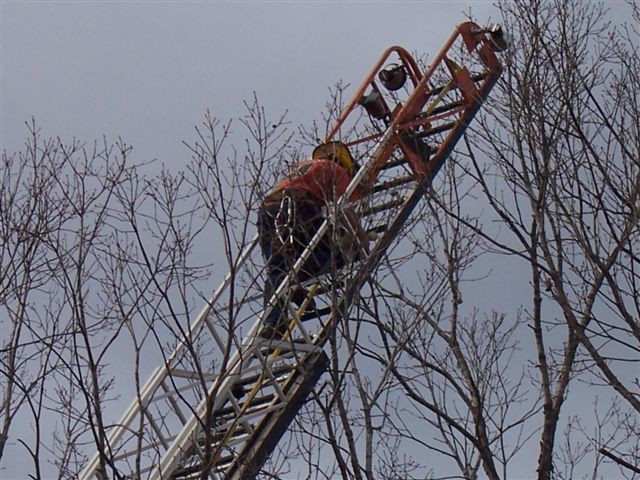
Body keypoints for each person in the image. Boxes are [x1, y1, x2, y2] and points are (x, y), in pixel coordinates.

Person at [256, 141, 369, 339]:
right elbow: (343, 206)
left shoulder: (299, 168)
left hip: (268, 211)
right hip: (299, 207)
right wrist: (360, 239)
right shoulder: (335, 168)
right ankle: (296, 282)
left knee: (278, 268)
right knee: (330, 257)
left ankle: (273, 322)